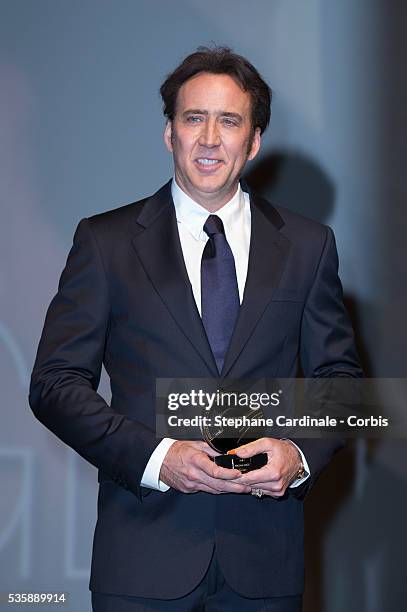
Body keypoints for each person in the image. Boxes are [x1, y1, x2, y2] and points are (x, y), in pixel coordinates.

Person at [29, 46, 362, 611]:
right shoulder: (105, 243)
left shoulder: (309, 246)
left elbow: (341, 382)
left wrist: (296, 454)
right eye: (193, 118)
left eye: (229, 121)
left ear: (253, 142)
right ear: (169, 133)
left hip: (265, 561)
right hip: (141, 557)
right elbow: (55, 384)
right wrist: (159, 459)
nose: (210, 138)